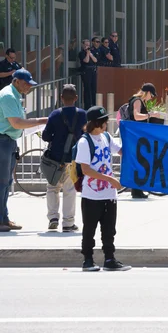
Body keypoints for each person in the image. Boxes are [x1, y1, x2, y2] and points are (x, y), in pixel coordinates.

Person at [75, 106, 131, 271]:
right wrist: (110, 179)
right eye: (104, 122)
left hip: (109, 194)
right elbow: (86, 169)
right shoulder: (85, 142)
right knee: (89, 229)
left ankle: (109, 259)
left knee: (109, 230)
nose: (106, 125)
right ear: (96, 123)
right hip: (91, 194)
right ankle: (88, 260)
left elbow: (121, 151)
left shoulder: (106, 137)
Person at [0, 69, 47, 232]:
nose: (29, 88)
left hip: (9, 141)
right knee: (2, 182)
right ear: (16, 81)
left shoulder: (14, 95)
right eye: (26, 84)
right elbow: (16, 123)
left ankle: (4, 218)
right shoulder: (8, 96)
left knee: (6, 183)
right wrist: (41, 120)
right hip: (3, 141)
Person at [41, 84, 87, 231]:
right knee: (70, 189)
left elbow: (46, 136)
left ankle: (53, 217)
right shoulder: (82, 114)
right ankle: (68, 223)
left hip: (55, 159)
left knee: (52, 188)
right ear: (76, 98)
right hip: (74, 159)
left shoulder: (54, 114)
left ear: (61, 98)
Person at [128, 83, 161, 199]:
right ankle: (136, 191)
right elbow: (136, 116)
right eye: (151, 94)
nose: (151, 97)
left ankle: (137, 190)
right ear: (147, 92)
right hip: (136, 136)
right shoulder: (137, 101)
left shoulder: (137, 100)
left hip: (136, 136)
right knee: (139, 162)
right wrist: (150, 114)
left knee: (139, 161)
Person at [78, 39, 98, 109]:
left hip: (93, 70)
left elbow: (95, 60)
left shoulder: (92, 52)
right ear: (83, 45)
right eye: (86, 45)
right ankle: (87, 105)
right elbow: (86, 61)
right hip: (86, 71)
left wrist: (90, 54)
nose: (87, 47)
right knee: (87, 88)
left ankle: (94, 103)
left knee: (93, 88)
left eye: (88, 45)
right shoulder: (81, 53)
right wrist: (87, 53)